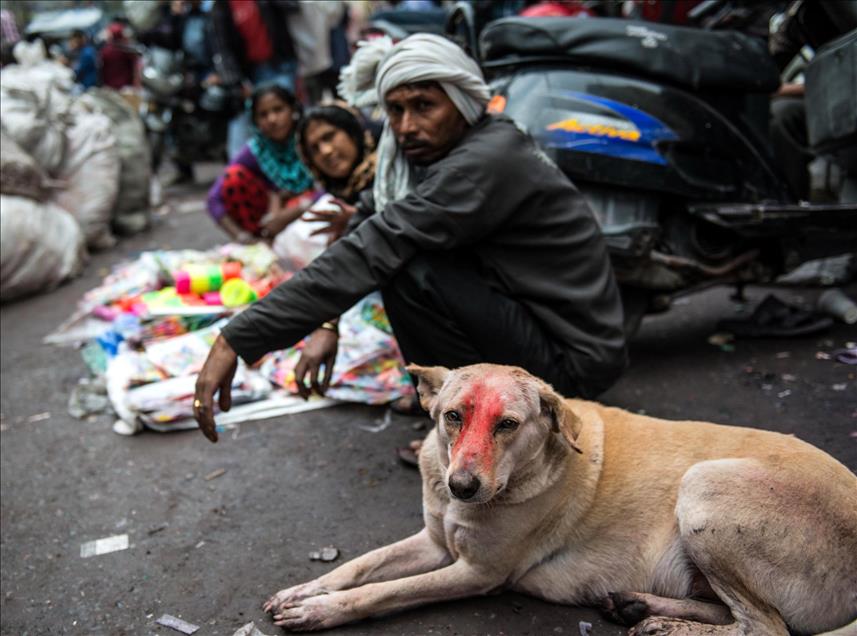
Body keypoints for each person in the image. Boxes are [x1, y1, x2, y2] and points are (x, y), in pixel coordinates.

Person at [193, 34, 627, 443]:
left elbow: (375, 245)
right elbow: (366, 225)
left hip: (570, 362)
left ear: (460, 102)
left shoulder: (483, 161)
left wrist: (238, 337)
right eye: (395, 110)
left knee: (408, 268)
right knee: (397, 255)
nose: (405, 126)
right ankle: (464, 403)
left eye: (424, 106)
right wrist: (326, 323)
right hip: (535, 323)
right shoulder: (426, 156)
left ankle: (472, 423)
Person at [206, 83, 314, 244]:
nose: (272, 119)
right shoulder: (256, 151)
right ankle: (264, 242)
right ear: (255, 121)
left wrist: (293, 212)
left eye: (278, 110)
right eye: (263, 115)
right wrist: (242, 237)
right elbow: (214, 199)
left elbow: (328, 188)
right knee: (234, 177)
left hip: (310, 208)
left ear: (292, 110)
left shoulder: (311, 138)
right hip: (270, 222)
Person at [208, 0, 300, 159]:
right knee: (243, 132)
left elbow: (293, 6)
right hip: (250, 75)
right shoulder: (222, 6)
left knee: (286, 126)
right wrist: (236, 82)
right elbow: (222, 46)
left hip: (280, 65)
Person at [99, 22, 138, 90]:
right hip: (125, 86)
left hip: (111, 86)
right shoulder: (127, 49)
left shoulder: (106, 50)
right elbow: (135, 68)